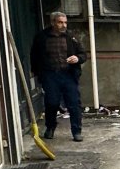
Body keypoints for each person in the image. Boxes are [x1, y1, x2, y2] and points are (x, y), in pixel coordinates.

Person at [30, 11, 87, 141]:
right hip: (50, 75)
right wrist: (35, 71)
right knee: (52, 103)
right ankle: (50, 128)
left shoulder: (71, 37)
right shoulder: (41, 37)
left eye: (65, 22)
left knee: (74, 103)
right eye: (60, 22)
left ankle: (76, 131)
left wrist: (77, 58)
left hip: (68, 75)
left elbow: (83, 54)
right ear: (53, 23)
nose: (63, 25)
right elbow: (34, 55)